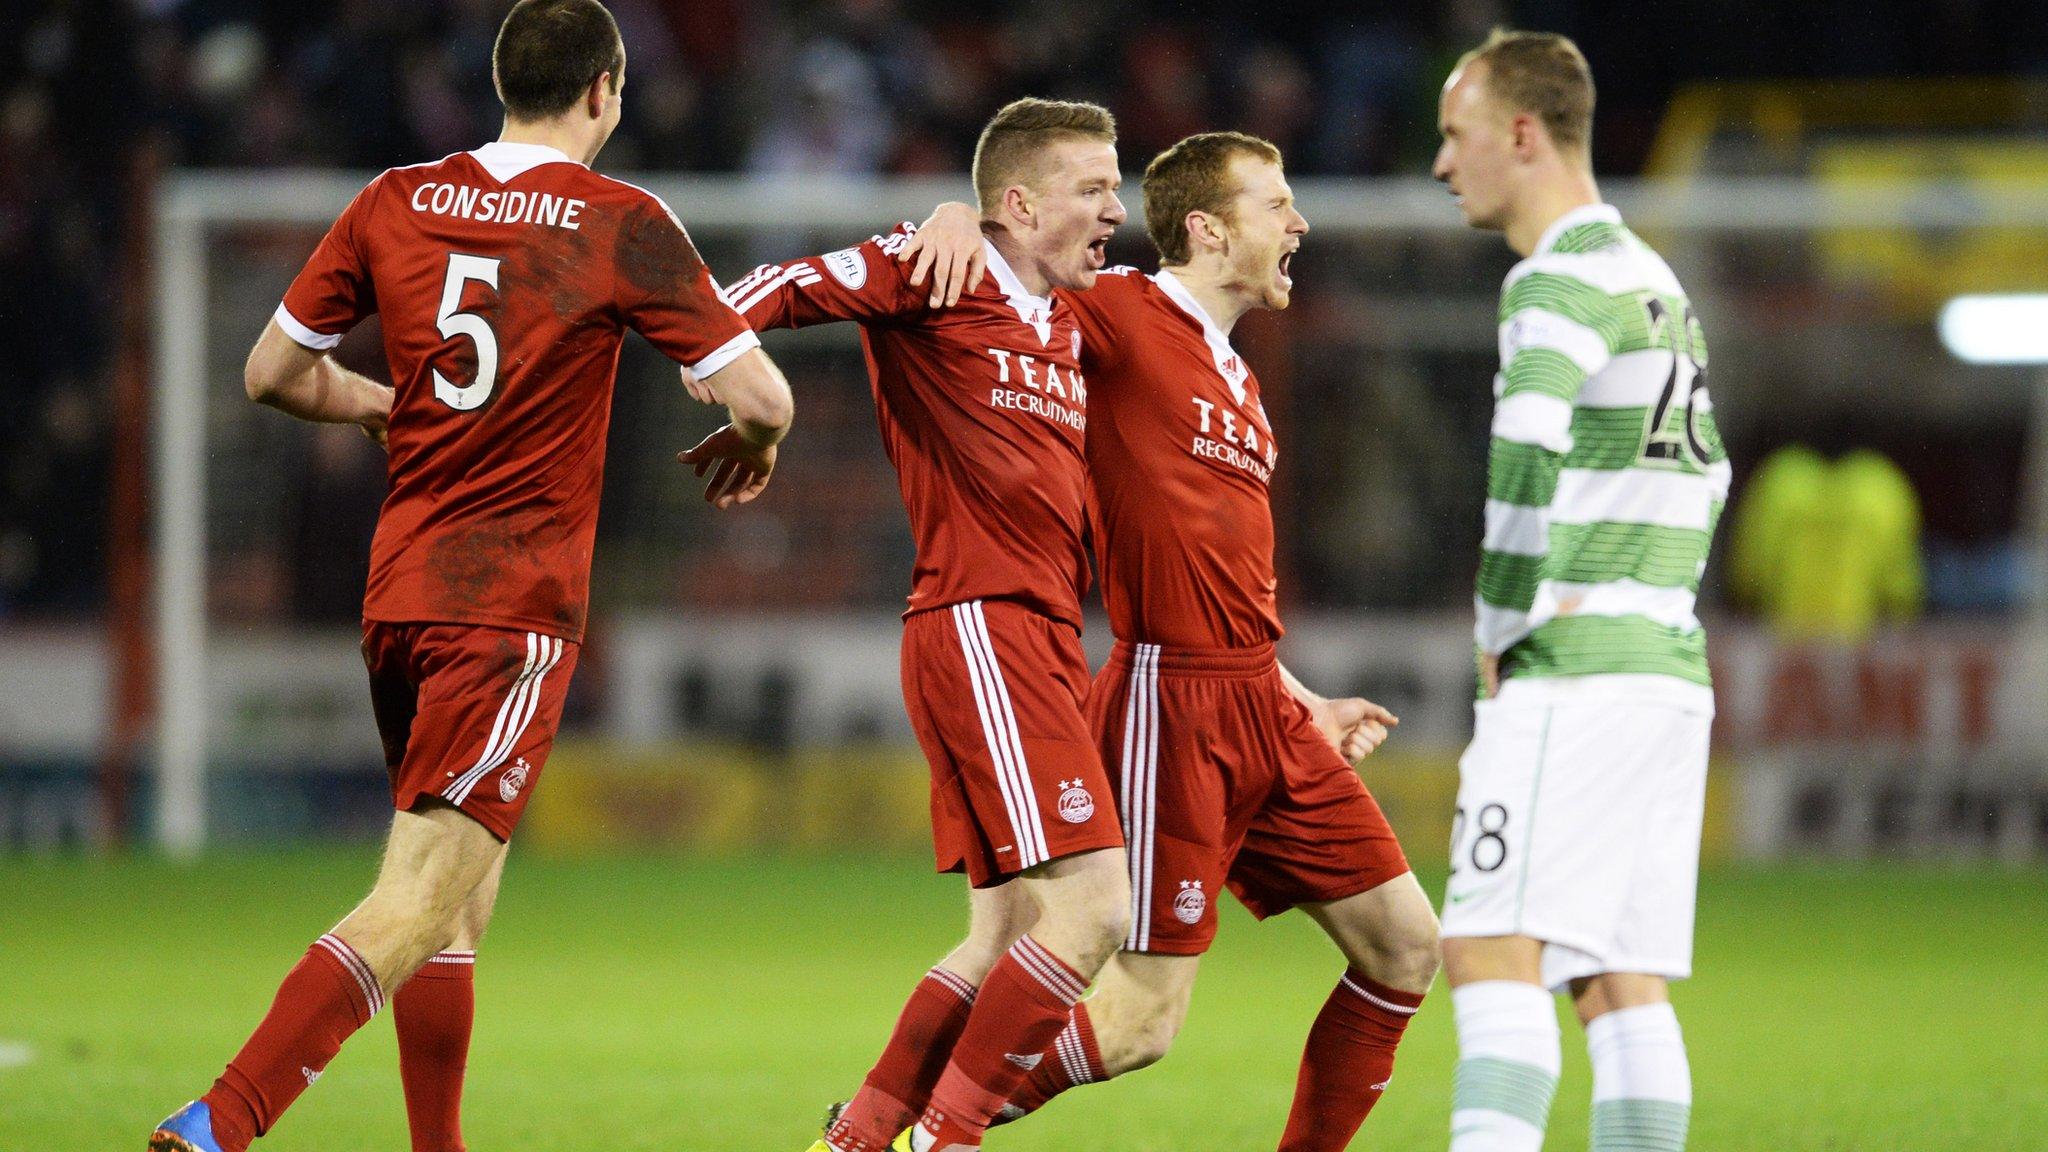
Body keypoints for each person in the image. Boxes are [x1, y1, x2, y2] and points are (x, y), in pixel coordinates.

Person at [147, 3, 793, 1150]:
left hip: (398, 596)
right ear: (605, 90)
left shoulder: (395, 198)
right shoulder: (619, 219)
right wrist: (751, 443)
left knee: (453, 899)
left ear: (505, 83)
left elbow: (271, 373)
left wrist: (378, 404)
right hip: (510, 608)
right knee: (412, 899)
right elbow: (764, 399)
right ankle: (221, 1121)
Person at [902, 131, 1442, 1151]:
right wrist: (952, 221)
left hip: (1264, 705)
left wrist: (1300, 697)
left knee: (1405, 947)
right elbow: (1010, 284)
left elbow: (1218, 572)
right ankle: (937, 1125)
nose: (1299, 224)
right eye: (1275, 204)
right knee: (1142, 1022)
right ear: (1205, 228)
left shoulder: (1231, 372)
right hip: (1170, 705)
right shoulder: (1119, 315)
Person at [719, 98, 1132, 1152]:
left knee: (1003, 935)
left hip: (1032, 633)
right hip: (979, 622)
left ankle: (855, 1140)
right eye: (1092, 189)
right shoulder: (933, 269)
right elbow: (756, 291)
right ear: (1019, 202)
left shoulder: (1072, 318)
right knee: (1094, 912)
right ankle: (940, 1141)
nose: (1113, 209)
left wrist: (953, 207)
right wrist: (731, 383)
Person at [1430, 29, 1731, 1152]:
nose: (1439, 163)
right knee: (1616, 978)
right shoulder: (1654, 281)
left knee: (1489, 949)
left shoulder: (1551, 280)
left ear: (1521, 133)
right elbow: (1708, 469)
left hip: (1577, 671)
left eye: (1454, 136)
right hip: (1664, 668)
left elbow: (1522, 457)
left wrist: (1499, 629)